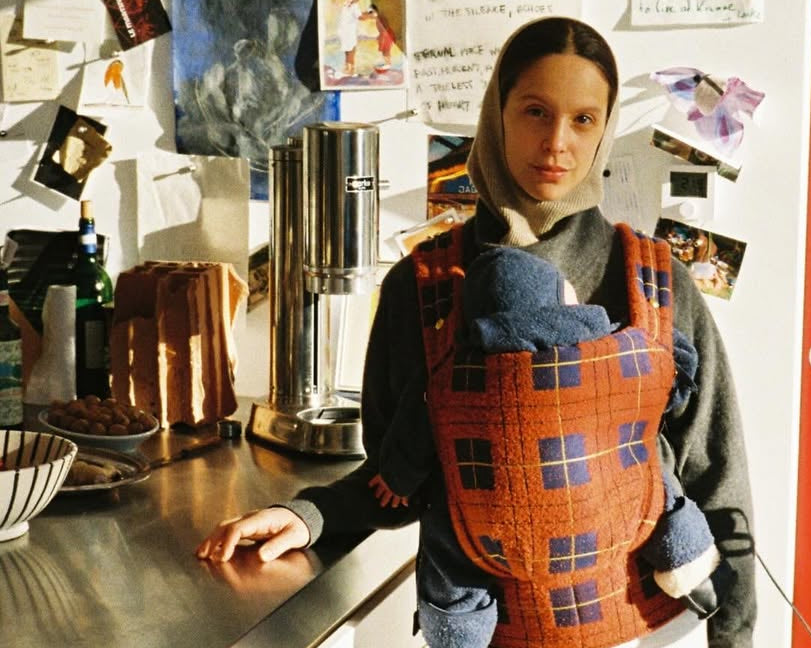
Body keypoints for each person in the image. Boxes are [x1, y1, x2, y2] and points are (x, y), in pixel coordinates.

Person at [197, 16, 755, 648]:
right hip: (487, 634)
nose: (556, 144)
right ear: (497, 112)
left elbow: (717, 475)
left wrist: (735, 637)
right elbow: (396, 477)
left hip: (646, 628)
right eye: (535, 112)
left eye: (583, 119)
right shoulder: (424, 285)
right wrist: (306, 516)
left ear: (604, 130)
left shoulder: (653, 281)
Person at [367, 246, 731, 647]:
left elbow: (412, 432)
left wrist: (396, 480)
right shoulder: (615, 343)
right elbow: (668, 365)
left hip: (492, 529)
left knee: (446, 538)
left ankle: (459, 632)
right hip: (618, 516)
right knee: (653, 479)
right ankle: (689, 563)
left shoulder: (447, 376)